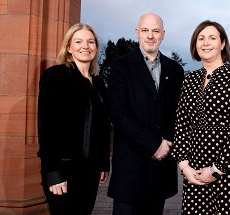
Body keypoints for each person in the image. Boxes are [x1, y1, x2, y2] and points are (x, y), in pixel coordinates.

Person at [172, 20, 230, 214]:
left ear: (222, 44)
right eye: (201, 38)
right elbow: (181, 125)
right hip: (195, 171)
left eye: (212, 38)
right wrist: (184, 166)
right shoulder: (189, 80)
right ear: (195, 44)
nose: (206, 43)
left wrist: (216, 170)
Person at [107, 13, 185, 215]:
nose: (150, 36)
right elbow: (118, 112)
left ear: (163, 34)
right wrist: (153, 144)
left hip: (160, 166)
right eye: (145, 30)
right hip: (130, 166)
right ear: (137, 33)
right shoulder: (120, 66)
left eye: (156, 31)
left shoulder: (175, 70)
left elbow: (179, 111)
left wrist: (167, 141)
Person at [37, 23, 111, 215]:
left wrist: (103, 163)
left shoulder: (99, 83)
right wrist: (53, 171)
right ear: (69, 47)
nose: (85, 46)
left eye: (90, 42)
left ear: (96, 48)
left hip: (90, 170)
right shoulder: (56, 75)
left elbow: (102, 126)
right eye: (78, 41)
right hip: (63, 169)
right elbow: (47, 127)